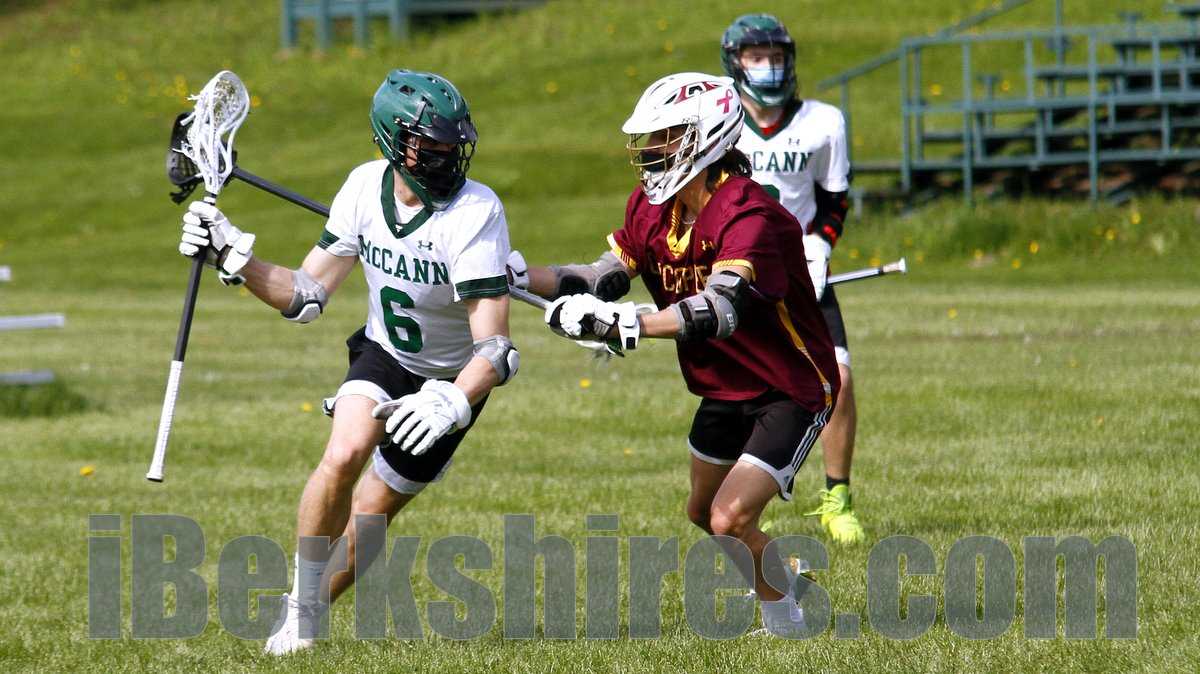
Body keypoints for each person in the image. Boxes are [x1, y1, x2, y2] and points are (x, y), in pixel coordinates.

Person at [178, 70, 517, 655]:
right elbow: (307, 295)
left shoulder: (476, 211)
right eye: (429, 145)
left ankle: (311, 610)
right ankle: (298, 604)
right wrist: (234, 258)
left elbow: (495, 350)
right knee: (343, 454)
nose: (443, 157)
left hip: (450, 380)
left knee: (371, 513)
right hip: (384, 355)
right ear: (391, 140)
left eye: (450, 145)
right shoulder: (363, 187)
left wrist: (454, 400)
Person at [508, 72, 839, 636]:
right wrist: (516, 275)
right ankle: (789, 580)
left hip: (789, 385)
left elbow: (720, 309)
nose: (653, 149)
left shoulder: (748, 212)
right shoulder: (652, 207)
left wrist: (629, 323)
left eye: (668, 136)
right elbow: (601, 277)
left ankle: (788, 622)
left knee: (729, 518)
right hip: (724, 385)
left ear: (707, 137)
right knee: (702, 512)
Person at [720, 14, 863, 544]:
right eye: (757, 57)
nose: (769, 67)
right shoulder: (720, 124)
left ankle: (837, 498)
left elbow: (834, 199)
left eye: (776, 57)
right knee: (739, 394)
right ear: (735, 62)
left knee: (838, 379)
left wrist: (821, 242)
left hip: (802, 277)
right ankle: (737, 501)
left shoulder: (824, 122)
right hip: (736, 276)